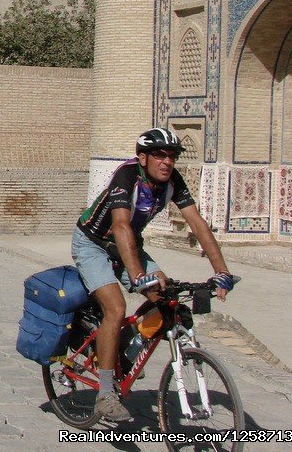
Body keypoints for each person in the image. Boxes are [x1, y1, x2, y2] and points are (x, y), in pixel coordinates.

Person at [72, 128, 234, 422]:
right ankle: (105, 394)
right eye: (159, 155)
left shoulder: (173, 182)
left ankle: (124, 350)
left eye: (171, 156)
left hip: (130, 245)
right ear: (143, 157)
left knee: (165, 299)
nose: (166, 162)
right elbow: (120, 225)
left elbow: (197, 223)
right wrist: (136, 275)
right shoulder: (127, 176)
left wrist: (221, 271)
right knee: (116, 308)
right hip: (94, 244)